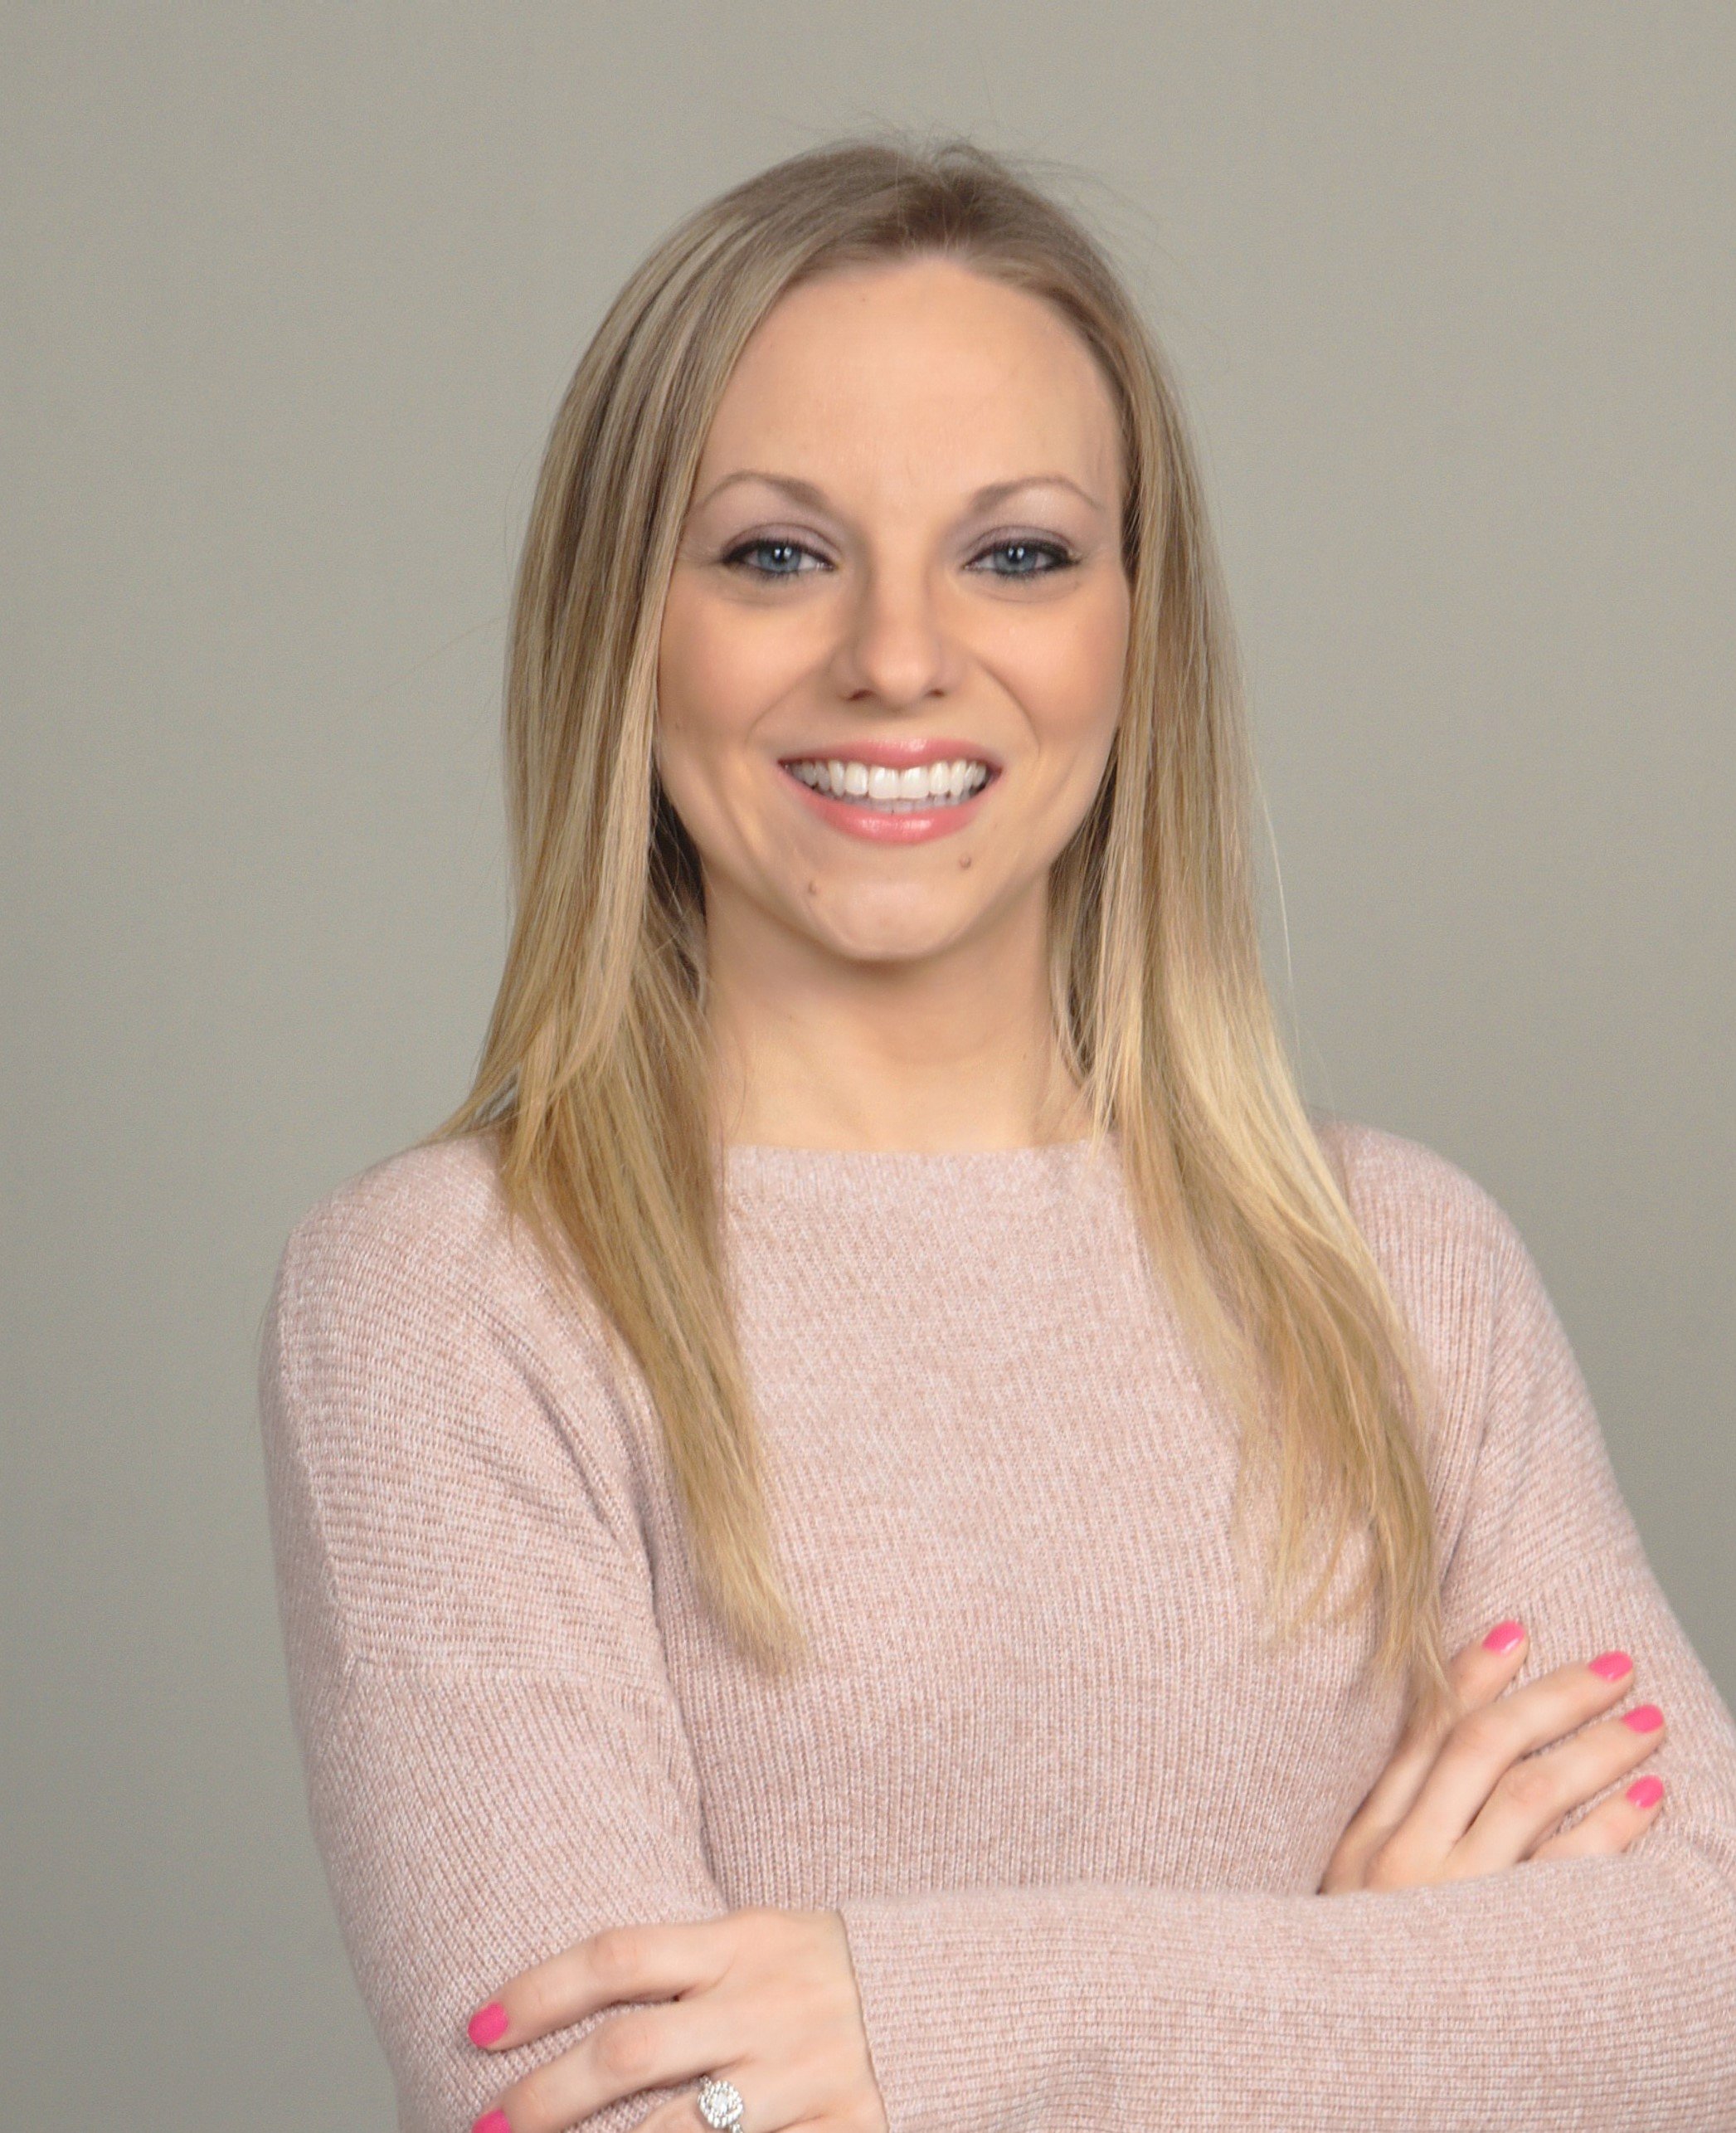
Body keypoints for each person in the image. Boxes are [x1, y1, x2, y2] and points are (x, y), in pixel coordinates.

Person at [256, 137, 1736, 2133]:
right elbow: (605, 2113)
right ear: (627, 619)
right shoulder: (451, 1298)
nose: (897, 654)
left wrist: (924, 2018)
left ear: (1141, 623)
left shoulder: (1401, 1265)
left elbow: (1706, 1992)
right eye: (776, 553)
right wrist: (1386, 2007)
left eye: (1018, 554)